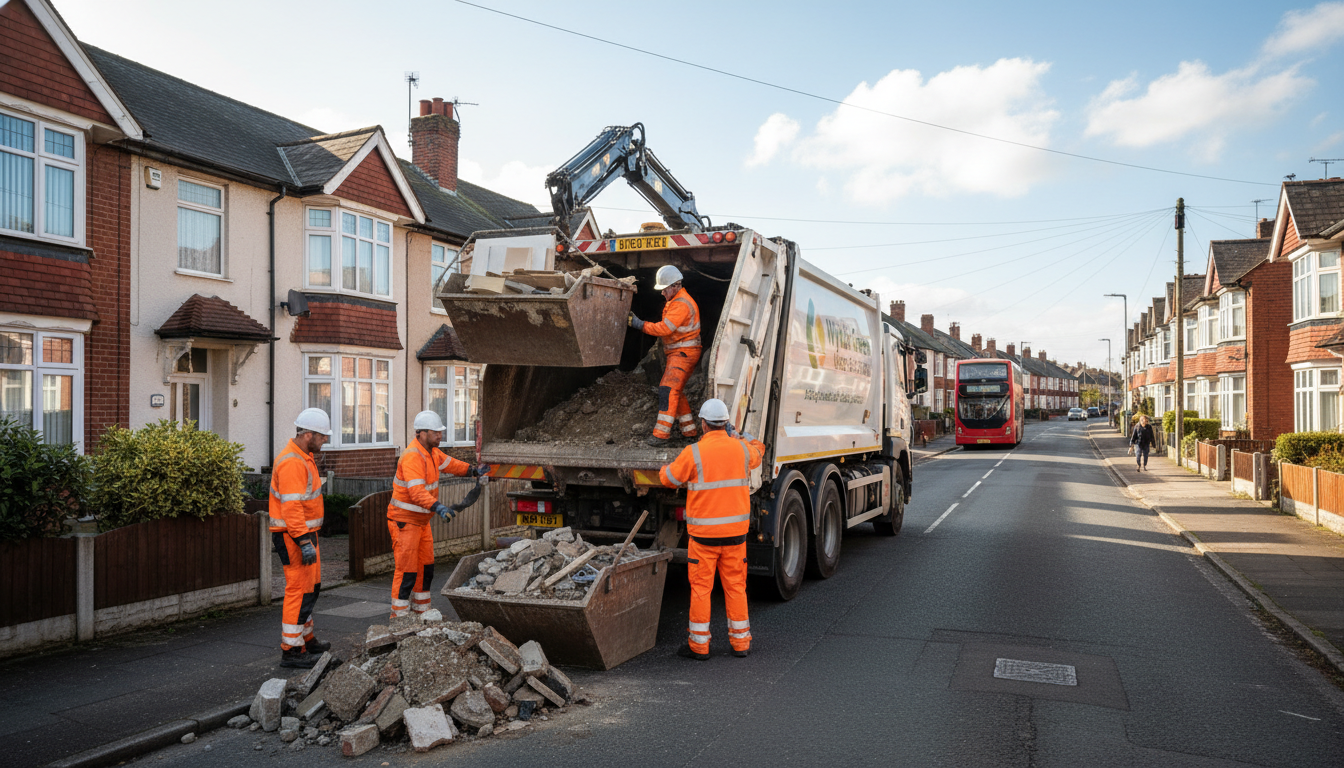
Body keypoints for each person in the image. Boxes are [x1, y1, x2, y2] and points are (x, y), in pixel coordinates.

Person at [659, 399, 765, 659]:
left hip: (703, 539)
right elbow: (759, 450)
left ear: (703, 424)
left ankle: (699, 647)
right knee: (736, 588)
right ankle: (741, 644)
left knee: (701, 589)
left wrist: (665, 468)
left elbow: (668, 479)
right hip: (735, 538)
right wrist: (743, 436)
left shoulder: (693, 453)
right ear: (726, 424)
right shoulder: (741, 450)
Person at [387, 411, 489, 620]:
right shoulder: (412, 456)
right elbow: (416, 493)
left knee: (426, 567)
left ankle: (421, 611)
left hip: (421, 522)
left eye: (440, 432)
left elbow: (451, 464)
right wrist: (439, 507)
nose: (440, 436)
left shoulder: (432, 453)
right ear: (421, 433)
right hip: (404, 522)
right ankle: (399, 618)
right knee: (407, 571)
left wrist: (473, 471)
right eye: (435, 432)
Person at [270, 408, 332, 668]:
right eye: (322, 436)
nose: (325, 441)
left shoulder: (302, 457)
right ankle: (292, 651)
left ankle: (305, 639)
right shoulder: (293, 462)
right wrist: (304, 541)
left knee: (311, 588)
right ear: (309, 435)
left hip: (303, 534)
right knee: (299, 590)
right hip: (295, 536)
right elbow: (292, 507)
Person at [629, 265, 701, 447]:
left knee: (667, 389)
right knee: (676, 391)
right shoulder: (676, 300)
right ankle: (689, 431)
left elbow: (665, 329)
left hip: (683, 353)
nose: (662, 293)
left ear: (675, 286)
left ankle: (661, 435)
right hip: (681, 352)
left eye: (664, 289)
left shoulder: (681, 303)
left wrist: (639, 324)